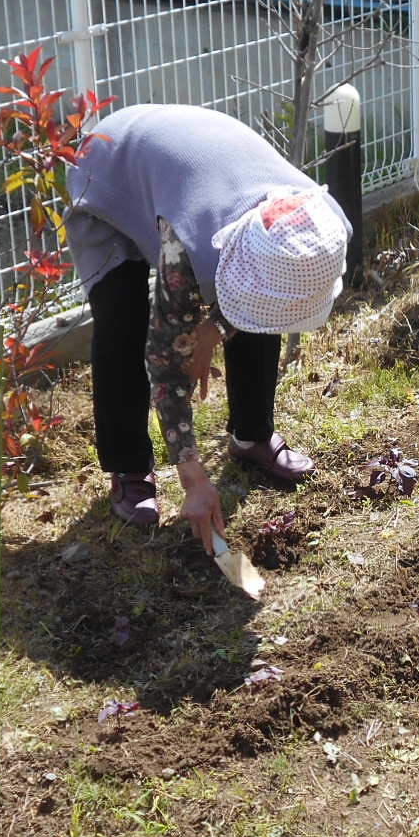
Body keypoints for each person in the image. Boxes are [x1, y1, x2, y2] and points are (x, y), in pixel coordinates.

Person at [64, 104, 349, 549]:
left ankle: (251, 435)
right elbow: (165, 365)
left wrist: (213, 329)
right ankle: (129, 468)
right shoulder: (189, 246)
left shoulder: (322, 218)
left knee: (268, 305)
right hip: (111, 171)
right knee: (122, 320)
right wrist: (194, 479)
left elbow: (260, 296)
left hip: (186, 171)